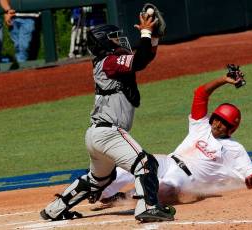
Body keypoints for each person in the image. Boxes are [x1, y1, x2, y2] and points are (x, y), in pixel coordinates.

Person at [40, 9, 175, 223]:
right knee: (146, 164)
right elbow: (139, 60)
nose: (119, 41)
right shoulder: (109, 62)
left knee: (98, 180)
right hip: (108, 133)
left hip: (96, 135)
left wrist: (153, 36)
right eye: (114, 38)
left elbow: (144, 57)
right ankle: (147, 207)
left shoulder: (111, 62)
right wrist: (146, 34)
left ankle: (55, 209)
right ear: (104, 43)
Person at [93, 66, 252, 209]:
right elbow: (200, 94)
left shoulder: (235, 149)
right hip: (169, 161)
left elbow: (251, 174)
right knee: (137, 162)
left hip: (184, 179)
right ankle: (101, 191)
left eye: (224, 123)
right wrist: (223, 80)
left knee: (164, 188)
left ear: (231, 128)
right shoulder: (201, 126)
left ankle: (123, 198)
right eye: (217, 119)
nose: (218, 124)